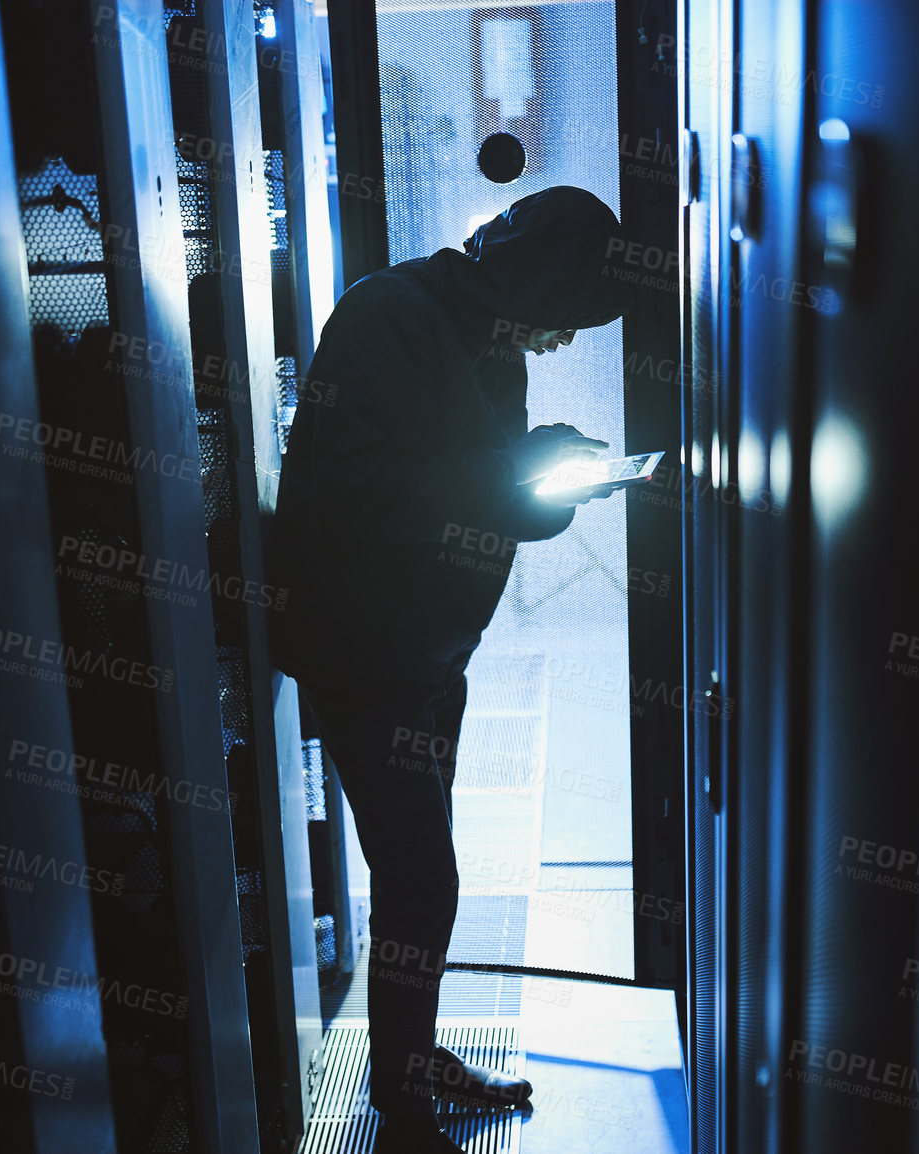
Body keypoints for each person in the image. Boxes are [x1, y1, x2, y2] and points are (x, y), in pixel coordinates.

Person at [263, 185, 636, 1153]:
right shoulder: (391, 312)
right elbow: (352, 489)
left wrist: (543, 478)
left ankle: (410, 1068)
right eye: (561, 317)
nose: (560, 342)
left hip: (424, 653)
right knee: (423, 878)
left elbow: (483, 482)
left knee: (420, 878)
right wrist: (519, 471)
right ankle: (402, 1102)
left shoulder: (486, 340)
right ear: (530, 280)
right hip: (367, 654)